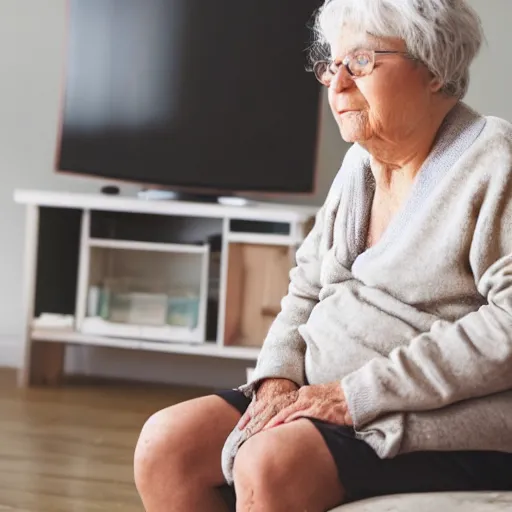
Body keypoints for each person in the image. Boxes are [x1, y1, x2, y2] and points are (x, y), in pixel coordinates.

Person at [134, 0, 512, 510]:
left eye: (361, 62)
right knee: (166, 445)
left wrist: (352, 395)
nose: (337, 85)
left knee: (268, 464)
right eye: (332, 65)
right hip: (325, 390)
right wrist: (277, 379)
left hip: (431, 412)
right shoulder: (359, 163)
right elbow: (307, 285)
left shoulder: (493, 161)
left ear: (434, 68)